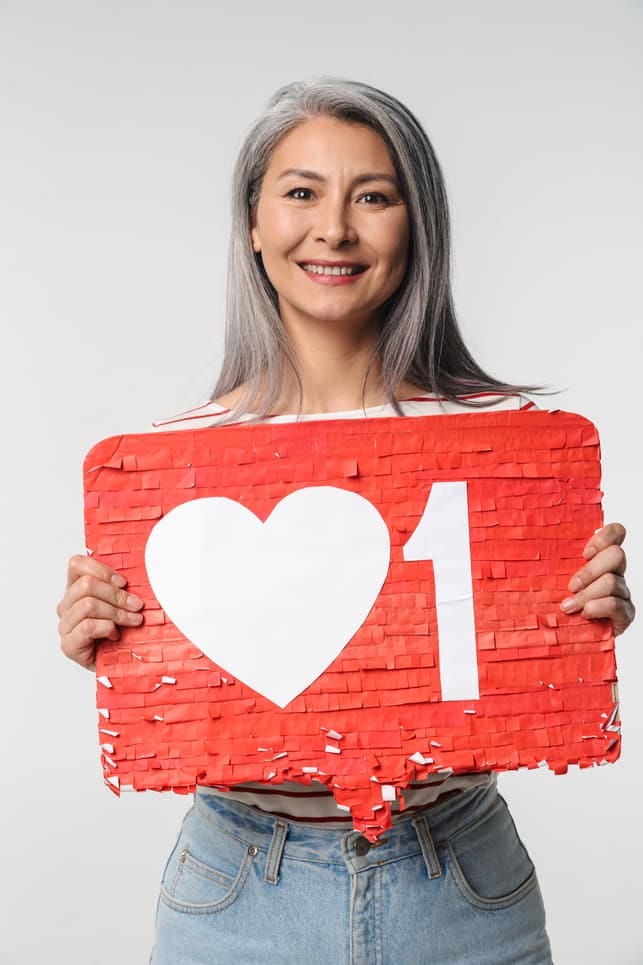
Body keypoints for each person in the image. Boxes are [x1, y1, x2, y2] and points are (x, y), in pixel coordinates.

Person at [58, 78, 635, 964]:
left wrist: (580, 620)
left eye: (373, 195)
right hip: (238, 886)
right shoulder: (173, 469)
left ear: (418, 225)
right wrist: (110, 635)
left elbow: (519, 662)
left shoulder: (501, 442)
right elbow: (175, 696)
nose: (333, 228)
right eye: (300, 193)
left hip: (460, 880)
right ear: (253, 223)